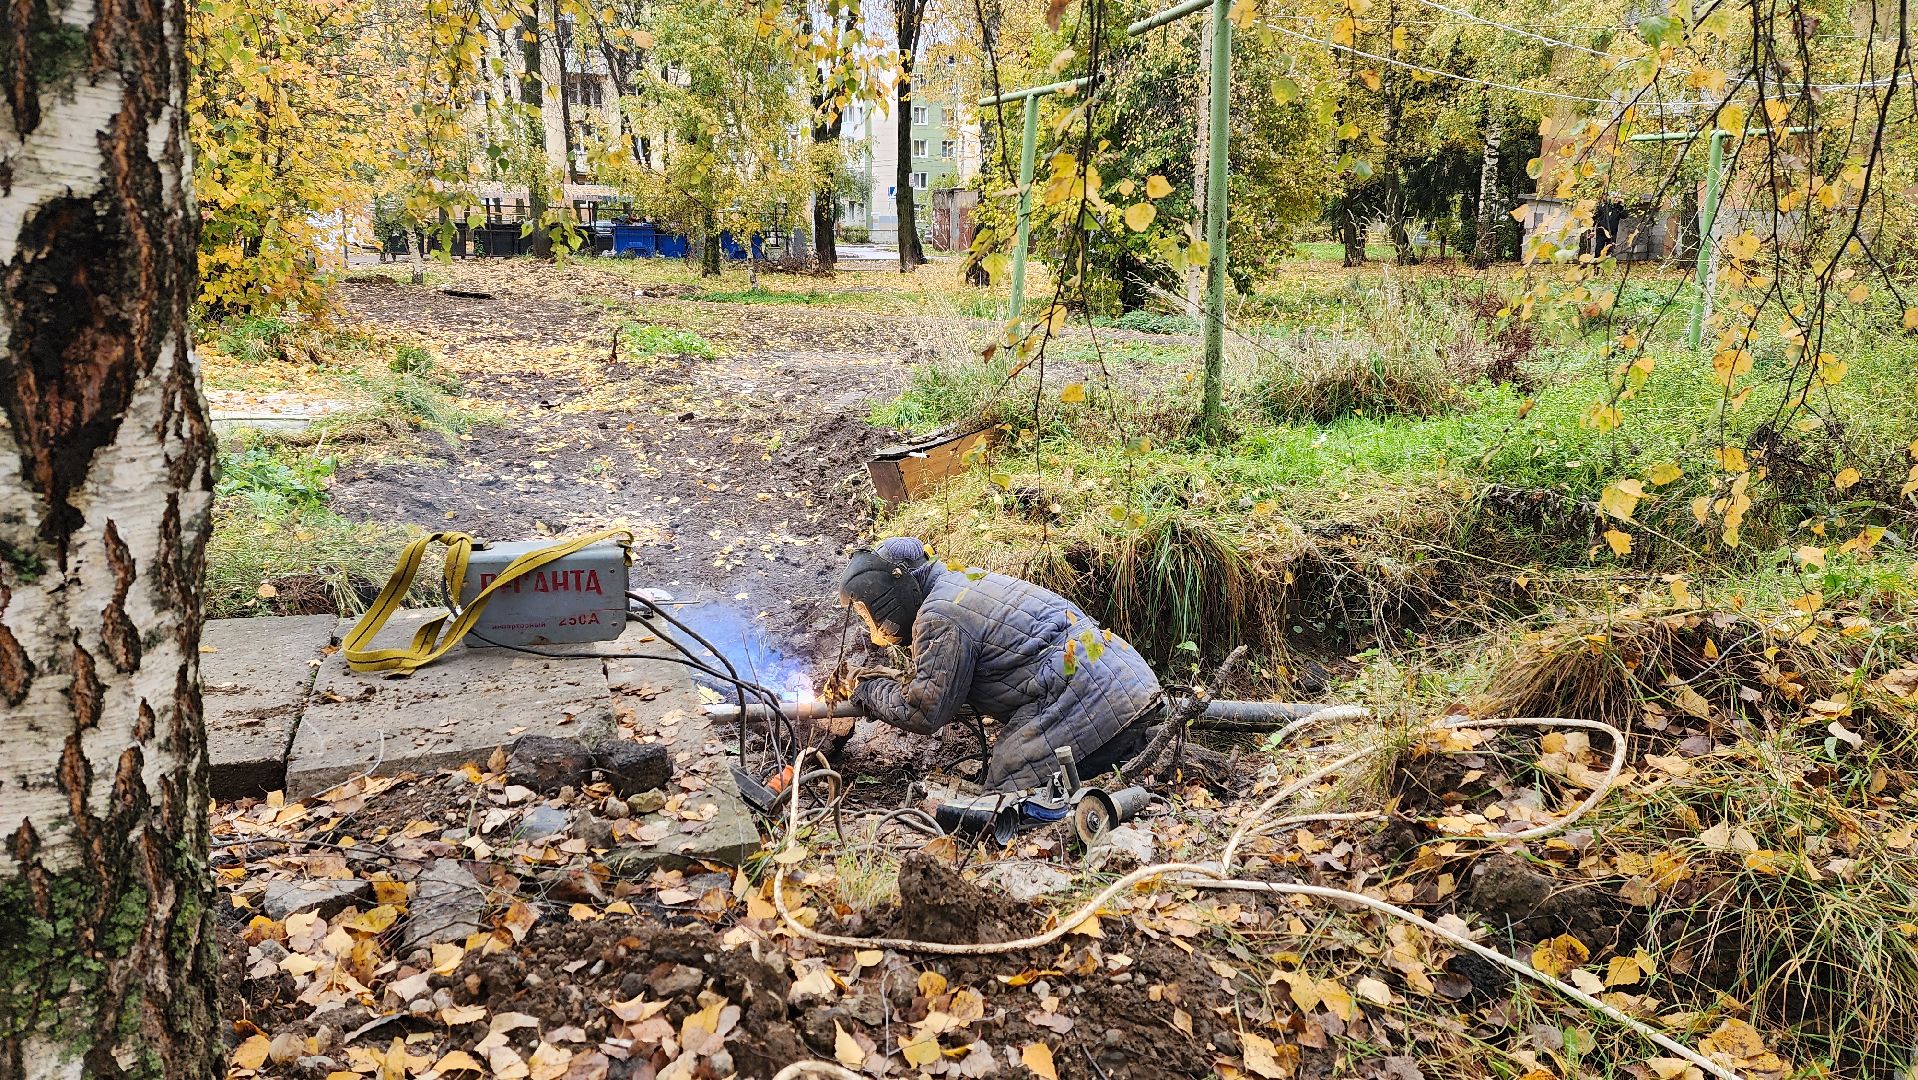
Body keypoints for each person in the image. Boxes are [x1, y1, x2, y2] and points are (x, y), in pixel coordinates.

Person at [838, 537, 1164, 791]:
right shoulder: (965, 582)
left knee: (1004, 794)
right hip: (1128, 680)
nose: (875, 629)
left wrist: (867, 690)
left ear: (894, 590)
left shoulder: (938, 616)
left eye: (869, 614)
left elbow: (923, 710)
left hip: (1088, 698)